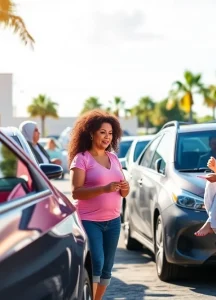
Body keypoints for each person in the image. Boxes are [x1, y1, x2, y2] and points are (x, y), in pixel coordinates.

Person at [68, 109, 129, 300]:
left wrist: (125, 187)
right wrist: (104, 189)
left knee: (107, 268)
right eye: (102, 132)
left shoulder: (113, 158)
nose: (107, 137)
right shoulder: (82, 159)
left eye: (110, 133)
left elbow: (123, 192)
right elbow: (76, 191)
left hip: (113, 221)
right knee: (97, 262)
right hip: (89, 220)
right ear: (91, 132)